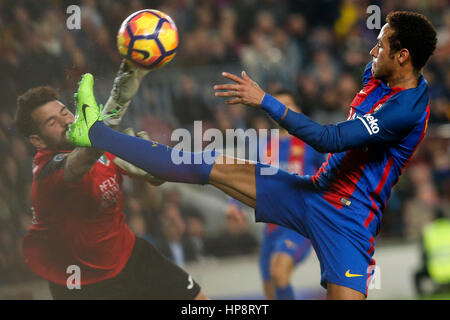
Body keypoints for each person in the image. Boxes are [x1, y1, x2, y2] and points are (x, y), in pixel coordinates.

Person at [67, 11, 437, 299]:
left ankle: (97, 133)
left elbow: (328, 139)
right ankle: (95, 131)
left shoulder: (406, 111)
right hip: (310, 193)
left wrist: (265, 101)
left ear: (403, 56)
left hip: (349, 224)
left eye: (383, 44)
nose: (374, 50)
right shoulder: (377, 77)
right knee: (196, 163)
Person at [15, 61, 207, 300]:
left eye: (65, 112)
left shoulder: (99, 146)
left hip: (130, 255)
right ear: (38, 141)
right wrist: (119, 99)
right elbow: (84, 158)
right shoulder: (46, 174)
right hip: (80, 282)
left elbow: (150, 202)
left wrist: (145, 177)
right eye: (51, 122)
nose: (66, 121)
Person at [254, 91, 322, 300]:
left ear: (298, 110)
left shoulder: (313, 141)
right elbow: (249, 177)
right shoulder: (264, 146)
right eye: (277, 105)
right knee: (269, 287)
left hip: (299, 223)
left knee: (279, 272)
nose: (282, 109)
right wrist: (234, 205)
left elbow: (332, 173)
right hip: (272, 225)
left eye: (288, 104)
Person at [414, 208, 450, 296]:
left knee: (416, 275)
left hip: (435, 272)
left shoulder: (428, 230)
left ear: (434, 217)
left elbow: (423, 254)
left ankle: (421, 295)